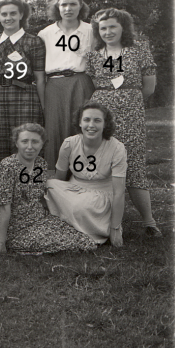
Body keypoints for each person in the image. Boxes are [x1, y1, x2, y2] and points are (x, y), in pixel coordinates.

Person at [84, 8, 160, 236]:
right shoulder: (94, 54)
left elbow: (149, 87)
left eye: (112, 27)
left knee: (133, 162)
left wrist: (128, 100)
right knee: (101, 161)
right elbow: (92, 84)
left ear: (123, 27)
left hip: (131, 112)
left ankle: (149, 221)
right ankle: (101, 218)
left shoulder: (138, 50)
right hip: (102, 113)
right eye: (103, 28)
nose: (107, 32)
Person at [0, 123, 97, 254]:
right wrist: (0, 244)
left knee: (85, 239)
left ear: (42, 144)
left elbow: (39, 196)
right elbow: (4, 208)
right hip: (18, 228)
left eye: (35, 142)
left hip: (40, 219)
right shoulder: (7, 167)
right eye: (24, 141)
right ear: (16, 143)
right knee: (77, 243)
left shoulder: (40, 164)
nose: (30, 147)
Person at [46, 102, 127, 245]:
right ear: (80, 123)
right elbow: (59, 179)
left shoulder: (117, 148)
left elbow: (119, 193)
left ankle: (89, 226)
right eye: (87, 120)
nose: (91, 125)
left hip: (100, 197)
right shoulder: (69, 144)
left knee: (81, 206)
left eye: (97, 120)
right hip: (74, 191)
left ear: (105, 124)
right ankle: (73, 220)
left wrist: (115, 228)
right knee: (49, 185)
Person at [0, 0, 46, 171]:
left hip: (26, 96)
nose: (8, 17)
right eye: (3, 14)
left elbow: (40, 78)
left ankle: (29, 186)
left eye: (13, 13)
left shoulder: (34, 41)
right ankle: (2, 186)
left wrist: (44, 107)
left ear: (21, 15)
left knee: (26, 140)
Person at [38, 0, 95, 170]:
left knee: (82, 126)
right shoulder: (45, 34)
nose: (68, 9)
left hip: (81, 82)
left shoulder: (91, 30)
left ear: (81, 6)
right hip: (54, 85)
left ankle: (86, 174)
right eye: (64, 4)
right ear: (57, 7)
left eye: (73, 4)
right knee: (55, 130)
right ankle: (56, 180)